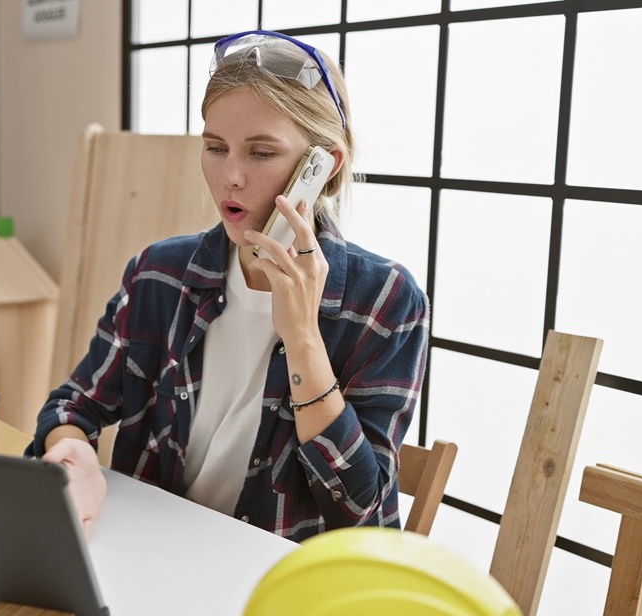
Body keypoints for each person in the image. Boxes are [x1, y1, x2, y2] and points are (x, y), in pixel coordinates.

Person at [27, 30, 430, 542]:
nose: (230, 176)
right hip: (156, 556)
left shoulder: (384, 301)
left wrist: (303, 337)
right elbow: (72, 407)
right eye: (216, 148)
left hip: (286, 590)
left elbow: (361, 512)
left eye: (261, 153)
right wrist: (74, 455)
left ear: (322, 168)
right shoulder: (158, 274)